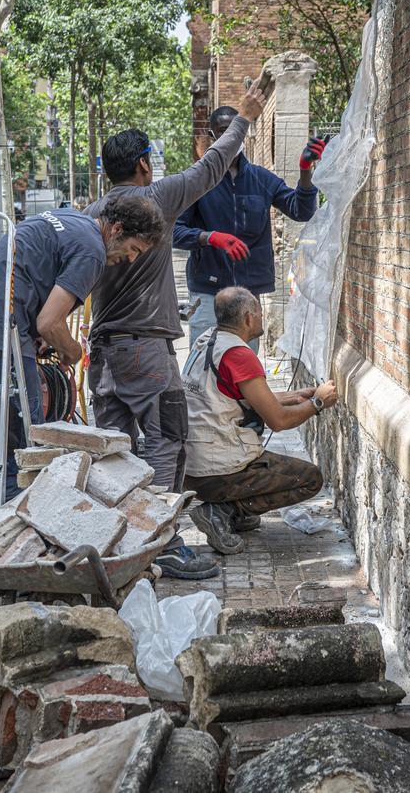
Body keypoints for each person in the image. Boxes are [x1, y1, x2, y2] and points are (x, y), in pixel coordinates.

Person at [82, 85, 266, 580]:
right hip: (145, 350)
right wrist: (242, 120)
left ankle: (121, 544)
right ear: (144, 164)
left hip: (103, 353)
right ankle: (160, 544)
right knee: (167, 441)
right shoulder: (154, 199)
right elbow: (209, 169)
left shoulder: (94, 215)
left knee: (116, 449)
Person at [0, 198, 164, 517]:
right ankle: (16, 541)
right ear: (116, 229)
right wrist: (73, 351)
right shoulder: (93, 251)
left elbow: (33, 288)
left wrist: (42, 341)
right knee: (25, 452)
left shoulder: (69, 220)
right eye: (134, 248)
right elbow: (49, 322)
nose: (130, 259)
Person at [182, 287, 337, 554]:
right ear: (248, 318)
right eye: (260, 313)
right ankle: (222, 510)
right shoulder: (239, 355)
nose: (262, 318)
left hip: (190, 466)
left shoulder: (209, 339)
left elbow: (233, 395)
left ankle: (233, 511)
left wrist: (292, 396)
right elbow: (278, 421)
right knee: (310, 478)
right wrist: (317, 403)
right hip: (217, 469)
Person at [174, 108, 326, 350]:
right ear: (213, 136)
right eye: (224, 131)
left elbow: (301, 211)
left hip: (247, 294)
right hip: (207, 292)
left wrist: (305, 169)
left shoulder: (261, 179)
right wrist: (209, 238)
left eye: (237, 129)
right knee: (204, 365)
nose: (232, 136)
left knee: (243, 368)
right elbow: (175, 233)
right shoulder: (198, 181)